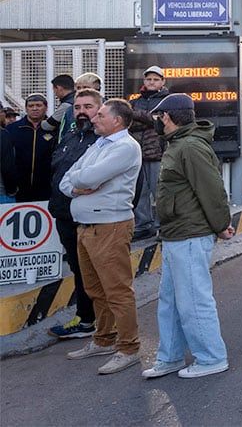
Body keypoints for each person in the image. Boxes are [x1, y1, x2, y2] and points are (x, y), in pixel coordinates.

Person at [142, 93, 234, 379]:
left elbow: (212, 189)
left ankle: (211, 357)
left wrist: (222, 224)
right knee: (170, 302)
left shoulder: (190, 146)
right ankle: (169, 357)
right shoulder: (178, 144)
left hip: (189, 234)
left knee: (193, 299)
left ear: (168, 117)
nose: (157, 121)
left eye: (159, 116)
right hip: (176, 233)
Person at [58, 98, 142, 375]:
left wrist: (81, 180)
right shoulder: (99, 144)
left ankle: (128, 348)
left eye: (100, 115)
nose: (93, 118)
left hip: (110, 227)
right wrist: (79, 184)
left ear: (117, 120)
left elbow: (85, 178)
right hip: (85, 227)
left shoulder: (126, 147)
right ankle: (104, 339)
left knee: (117, 291)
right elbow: (66, 180)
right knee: (95, 289)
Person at [47, 89, 103, 340]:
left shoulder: (104, 141)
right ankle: (86, 319)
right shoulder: (71, 136)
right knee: (79, 270)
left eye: (88, 107)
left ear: (100, 109)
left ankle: (99, 323)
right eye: (78, 107)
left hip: (90, 220)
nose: (81, 112)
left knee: (95, 272)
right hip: (64, 216)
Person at [129, 65, 170, 240]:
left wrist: (137, 115)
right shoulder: (135, 101)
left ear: (162, 81)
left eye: (155, 79)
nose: (151, 82)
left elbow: (160, 123)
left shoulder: (168, 101)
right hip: (137, 154)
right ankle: (143, 226)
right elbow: (128, 122)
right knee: (140, 193)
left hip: (158, 154)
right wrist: (148, 119)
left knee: (160, 192)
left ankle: (164, 226)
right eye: (148, 79)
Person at [9, 93, 55, 202]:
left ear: (46, 108)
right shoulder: (12, 129)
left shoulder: (55, 130)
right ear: (26, 108)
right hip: (19, 189)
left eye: (38, 105)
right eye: (31, 106)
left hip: (47, 189)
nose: (34, 108)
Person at [40, 74, 77, 139]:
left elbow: (47, 126)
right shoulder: (78, 99)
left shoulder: (66, 105)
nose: (55, 94)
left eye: (54, 90)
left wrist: (40, 122)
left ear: (59, 88)